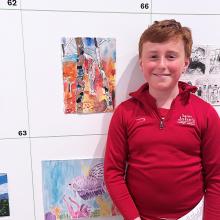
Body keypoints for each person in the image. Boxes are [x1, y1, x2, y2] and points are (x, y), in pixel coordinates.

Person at [104, 19, 220, 220]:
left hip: (193, 214)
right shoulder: (125, 113)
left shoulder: (205, 113)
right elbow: (113, 173)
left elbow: (217, 177)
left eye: (171, 56)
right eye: (153, 56)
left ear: (185, 63)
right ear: (142, 63)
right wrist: (133, 217)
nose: (162, 65)